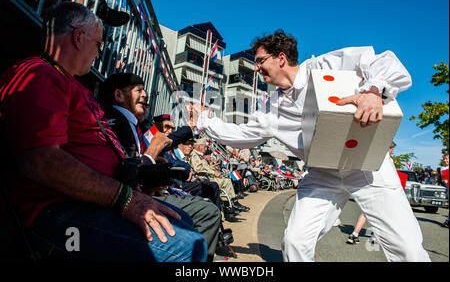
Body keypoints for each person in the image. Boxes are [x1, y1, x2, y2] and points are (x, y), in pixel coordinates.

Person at [192, 29, 430, 262]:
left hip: (368, 166)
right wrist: (203, 120)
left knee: (407, 249)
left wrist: (373, 90)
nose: (256, 68)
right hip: (322, 174)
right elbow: (241, 134)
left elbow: (382, 61)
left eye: (260, 61)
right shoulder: (272, 108)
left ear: (281, 58)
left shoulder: (325, 66)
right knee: (295, 242)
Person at [0, 2, 206, 261]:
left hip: (91, 202)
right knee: (187, 247)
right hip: (53, 212)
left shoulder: (72, 84)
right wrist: (125, 198)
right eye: (99, 44)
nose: (99, 53)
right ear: (78, 37)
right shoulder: (38, 74)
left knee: (184, 221)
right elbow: (40, 161)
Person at [99, 72, 221, 261]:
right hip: (130, 200)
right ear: (119, 96)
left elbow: (165, 142)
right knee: (206, 213)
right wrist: (152, 155)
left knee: (195, 214)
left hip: (150, 191)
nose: (145, 95)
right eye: (139, 90)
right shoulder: (115, 122)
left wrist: (190, 125)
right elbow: (127, 169)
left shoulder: (134, 125)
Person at [441, 153, 449, 228]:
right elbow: (444, 179)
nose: (445, 160)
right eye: (444, 159)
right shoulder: (443, 168)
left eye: (446, 159)